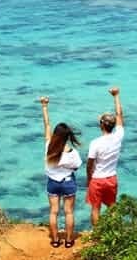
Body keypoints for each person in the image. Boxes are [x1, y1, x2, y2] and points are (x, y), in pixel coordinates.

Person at [39, 96, 82, 248]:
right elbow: (76, 167)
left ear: (56, 135)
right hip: (68, 183)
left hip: (52, 183)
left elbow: (47, 125)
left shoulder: (48, 147)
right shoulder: (72, 153)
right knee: (69, 212)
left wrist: (44, 106)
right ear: (67, 137)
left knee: (53, 212)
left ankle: (55, 240)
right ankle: (69, 241)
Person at [86, 87, 124, 226]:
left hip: (97, 180)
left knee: (96, 208)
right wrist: (116, 96)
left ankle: (97, 236)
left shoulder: (95, 143)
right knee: (112, 206)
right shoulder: (118, 137)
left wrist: (89, 179)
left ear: (101, 125)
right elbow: (120, 115)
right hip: (111, 178)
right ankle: (113, 234)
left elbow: (89, 164)